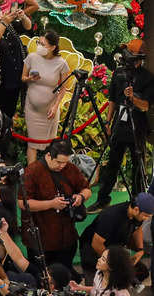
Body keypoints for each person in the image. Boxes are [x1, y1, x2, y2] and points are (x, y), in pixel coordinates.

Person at [87, 47, 153, 213]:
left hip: (137, 127)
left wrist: (132, 98)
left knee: (138, 165)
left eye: (136, 58)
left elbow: (145, 106)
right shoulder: (119, 73)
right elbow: (112, 100)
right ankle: (103, 200)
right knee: (112, 164)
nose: (133, 61)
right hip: (119, 125)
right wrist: (108, 122)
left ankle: (137, 203)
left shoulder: (147, 77)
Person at [21, 139, 91, 272]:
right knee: (42, 276)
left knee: (65, 273)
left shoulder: (70, 168)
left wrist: (80, 197)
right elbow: (23, 203)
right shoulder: (32, 171)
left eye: (65, 162)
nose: (62, 166)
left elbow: (86, 190)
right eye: (58, 162)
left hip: (67, 237)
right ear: (48, 155)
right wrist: (51, 204)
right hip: (41, 239)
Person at [22, 31, 70, 164]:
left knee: (50, 145)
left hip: (50, 110)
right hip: (32, 108)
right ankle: (31, 175)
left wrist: (55, 107)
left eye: (43, 44)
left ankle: (48, 173)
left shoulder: (61, 63)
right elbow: (23, 78)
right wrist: (30, 78)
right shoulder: (32, 57)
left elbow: (64, 88)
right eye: (39, 42)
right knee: (32, 144)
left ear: (53, 47)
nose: (39, 46)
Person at [80, 192, 154, 276]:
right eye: (146, 216)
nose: (147, 218)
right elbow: (96, 244)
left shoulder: (137, 215)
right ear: (136, 209)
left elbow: (138, 229)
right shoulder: (111, 216)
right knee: (98, 283)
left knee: (141, 273)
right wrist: (113, 263)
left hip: (113, 247)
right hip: (93, 249)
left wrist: (140, 250)